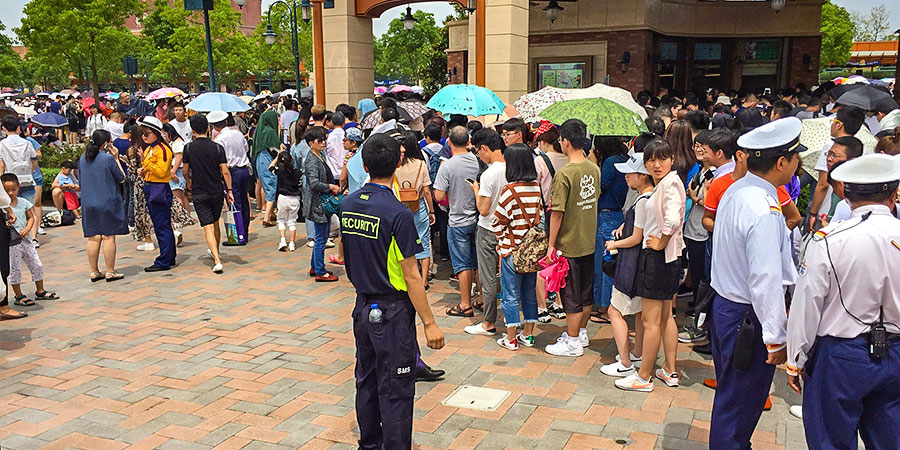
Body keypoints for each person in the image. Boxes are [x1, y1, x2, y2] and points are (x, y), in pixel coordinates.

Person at [786, 153, 900, 449]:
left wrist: (795, 358)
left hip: (841, 353)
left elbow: (807, 304)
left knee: (830, 441)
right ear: (894, 192)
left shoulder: (829, 239)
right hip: (896, 350)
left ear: (845, 193)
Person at [341, 132, 444, 450]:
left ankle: (369, 444)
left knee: (367, 380)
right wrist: (429, 322)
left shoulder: (349, 204)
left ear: (364, 162)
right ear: (399, 162)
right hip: (393, 311)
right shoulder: (397, 213)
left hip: (363, 306)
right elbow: (413, 277)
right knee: (397, 388)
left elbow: (347, 256)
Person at [707, 117, 801, 448]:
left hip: (726, 307)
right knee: (739, 405)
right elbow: (765, 278)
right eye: (794, 157)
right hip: (747, 315)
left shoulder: (738, 189)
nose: (797, 163)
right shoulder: (763, 208)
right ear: (780, 162)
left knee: (732, 396)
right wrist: (776, 337)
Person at [615, 139, 685, 391]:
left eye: (662, 159)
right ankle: (669, 370)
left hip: (659, 258)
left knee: (651, 321)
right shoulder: (668, 183)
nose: (656, 165)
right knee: (665, 317)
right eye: (651, 160)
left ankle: (644, 376)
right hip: (669, 258)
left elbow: (674, 217)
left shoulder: (668, 185)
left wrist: (661, 240)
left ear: (672, 159)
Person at [543, 119, 602, 357]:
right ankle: (581, 332)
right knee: (586, 292)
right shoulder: (594, 169)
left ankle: (573, 341)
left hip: (569, 243)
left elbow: (557, 213)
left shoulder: (565, 174)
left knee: (570, 295)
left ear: (565, 142)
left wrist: (551, 245)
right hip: (589, 239)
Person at [600, 153, 652, 377]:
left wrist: (615, 243)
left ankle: (625, 361)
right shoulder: (653, 197)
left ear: (643, 175)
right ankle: (638, 352)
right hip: (645, 266)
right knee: (640, 312)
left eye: (630, 173)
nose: (626, 177)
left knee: (615, 311)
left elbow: (636, 238)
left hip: (631, 265)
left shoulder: (642, 202)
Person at [491, 143, 542, 350]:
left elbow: (497, 221)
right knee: (529, 292)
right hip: (532, 251)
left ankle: (511, 337)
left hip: (512, 250)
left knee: (510, 294)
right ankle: (528, 335)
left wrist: (502, 241)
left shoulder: (510, 190)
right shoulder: (536, 188)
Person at [433, 126, 481, 318]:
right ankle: (481, 299)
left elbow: (438, 194)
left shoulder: (448, 166)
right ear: (469, 141)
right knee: (478, 263)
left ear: (449, 142)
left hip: (457, 219)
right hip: (478, 218)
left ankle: (465, 303)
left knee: (462, 264)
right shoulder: (478, 161)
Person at [464, 128, 506, 336]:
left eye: (477, 150)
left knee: (488, 277)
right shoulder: (513, 167)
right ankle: (511, 317)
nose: (477, 155)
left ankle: (488, 322)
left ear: (484, 148)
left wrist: (475, 190)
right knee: (509, 275)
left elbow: (483, 209)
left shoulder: (489, 174)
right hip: (509, 228)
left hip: (489, 228)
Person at [183, 114, 233, 274]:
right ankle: (215, 251)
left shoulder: (189, 148)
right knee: (215, 221)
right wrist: (230, 190)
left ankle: (217, 259)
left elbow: (185, 171)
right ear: (208, 128)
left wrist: (188, 182)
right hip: (216, 190)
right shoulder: (218, 147)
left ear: (192, 130)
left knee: (207, 226)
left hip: (199, 191)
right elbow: (225, 171)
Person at [78, 129, 128, 282]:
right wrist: (116, 158)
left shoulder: (82, 158)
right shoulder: (107, 159)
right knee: (108, 236)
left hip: (88, 202)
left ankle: (94, 271)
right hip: (107, 201)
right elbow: (121, 178)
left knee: (93, 237)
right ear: (106, 144)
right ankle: (110, 271)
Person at [3, 173, 57, 307]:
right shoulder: (2, 206)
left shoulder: (23, 202)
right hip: (11, 244)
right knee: (14, 269)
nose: (10, 193)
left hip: (26, 240)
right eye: (6, 190)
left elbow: (31, 217)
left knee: (36, 264)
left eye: (13, 189)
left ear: (18, 187)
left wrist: (28, 229)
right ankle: (18, 295)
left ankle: (40, 290)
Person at [808, 106, 866, 230]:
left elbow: (823, 184)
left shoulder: (832, 147)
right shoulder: (857, 147)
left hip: (826, 213)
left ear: (839, 125)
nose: (830, 158)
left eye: (833, 121)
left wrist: (812, 213)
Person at [591, 137, 630, 324]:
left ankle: (606, 307)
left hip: (606, 215)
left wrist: (593, 165)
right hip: (617, 213)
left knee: (605, 261)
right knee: (611, 260)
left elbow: (599, 186)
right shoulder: (624, 160)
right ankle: (606, 305)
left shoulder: (610, 162)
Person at [533, 125, 568, 322]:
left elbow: (536, 188)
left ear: (544, 142)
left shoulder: (540, 160)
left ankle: (541, 306)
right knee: (560, 260)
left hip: (546, 213)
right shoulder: (568, 159)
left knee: (544, 260)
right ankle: (560, 304)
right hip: (566, 214)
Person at [393, 133, 434, 287]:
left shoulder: (395, 165)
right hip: (419, 205)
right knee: (423, 241)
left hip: (400, 207)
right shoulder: (420, 164)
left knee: (402, 242)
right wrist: (432, 211)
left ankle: (407, 277)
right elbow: (427, 191)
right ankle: (423, 281)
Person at [137, 116, 176, 272]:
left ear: (156, 133)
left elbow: (161, 172)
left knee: (162, 225)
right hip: (150, 186)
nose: (144, 137)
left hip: (159, 188)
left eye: (147, 133)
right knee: (160, 224)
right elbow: (151, 170)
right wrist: (143, 169)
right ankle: (169, 256)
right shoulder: (149, 149)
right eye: (143, 134)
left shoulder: (163, 150)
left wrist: (145, 162)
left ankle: (164, 260)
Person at [303, 126, 340, 282]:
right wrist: (331, 187)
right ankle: (320, 270)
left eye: (324, 139)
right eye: (320, 140)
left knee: (321, 236)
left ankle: (315, 266)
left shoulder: (318, 155)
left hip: (320, 202)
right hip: (318, 204)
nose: (323, 143)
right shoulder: (312, 160)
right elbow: (314, 183)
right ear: (311, 143)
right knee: (321, 238)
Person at [212, 111, 251, 245]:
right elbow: (246, 149)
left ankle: (238, 235)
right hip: (244, 169)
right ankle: (244, 232)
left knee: (234, 202)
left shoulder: (219, 139)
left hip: (231, 171)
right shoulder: (238, 133)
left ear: (214, 126)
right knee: (244, 202)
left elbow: (219, 159)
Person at [0, 116, 38, 207]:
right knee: (29, 209)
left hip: (10, 181)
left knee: (12, 209)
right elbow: (34, 161)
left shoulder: (2, 144)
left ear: (3, 128)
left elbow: (1, 166)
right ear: (18, 128)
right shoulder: (27, 143)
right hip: (27, 180)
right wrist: (30, 171)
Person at [253, 110, 281, 227]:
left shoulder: (258, 131)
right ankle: (267, 217)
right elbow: (277, 148)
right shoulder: (270, 132)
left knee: (265, 185)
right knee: (271, 187)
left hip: (259, 160)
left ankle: (272, 213)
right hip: (269, 161)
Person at [270, 151, 301, 252]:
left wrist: (276, 157)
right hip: (294, 198)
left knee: (281, 220)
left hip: (283, 198)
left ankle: (283, 240)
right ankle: (292, 243)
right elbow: (300, 185)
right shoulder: (297, 172)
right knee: (292, 221)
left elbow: (270, 167)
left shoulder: (280, 171)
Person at [162, 123, 190, 215]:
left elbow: (179, 158)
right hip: (177, 170)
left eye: (164, 134)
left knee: (177, 195)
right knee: (181, 194)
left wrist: (173, 172)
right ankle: (187, 215)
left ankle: (181, 216)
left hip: (177, 170)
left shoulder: (178, 143)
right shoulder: (176, 142)